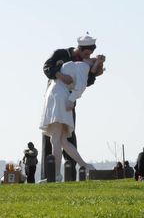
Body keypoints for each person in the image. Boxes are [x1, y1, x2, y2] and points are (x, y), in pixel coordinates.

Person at [40, 34, 105, 179]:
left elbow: (84, 83)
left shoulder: (82, 65)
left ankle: (60, 174)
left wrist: (71, 99)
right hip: (58, 97)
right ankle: (61, 172)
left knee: (59, 139)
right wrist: (61, 76)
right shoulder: (64, 55)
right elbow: (47, 68)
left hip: (62, 98)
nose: (87, 57)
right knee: (59, 139)